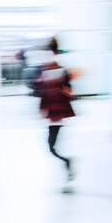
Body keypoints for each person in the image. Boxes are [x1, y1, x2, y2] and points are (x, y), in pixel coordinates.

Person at [32, 38, 75, 183]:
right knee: (51, 146)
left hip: (56, 114)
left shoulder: (52, 71)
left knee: (51, 147)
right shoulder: (54, 70)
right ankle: (67, 162)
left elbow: (63, 91)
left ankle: (67, 162)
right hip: (55, 113)